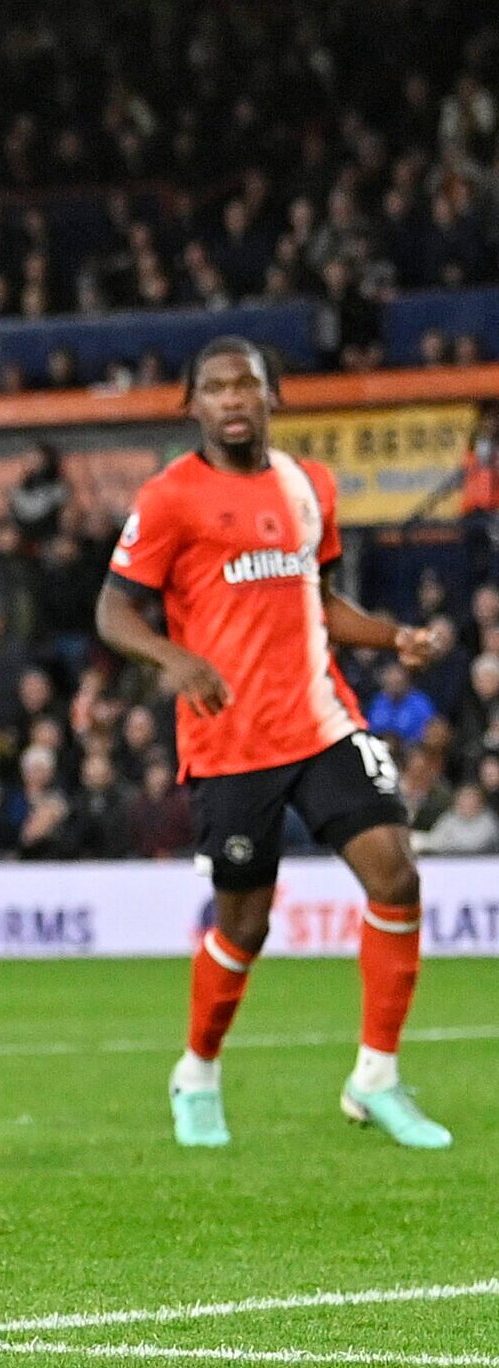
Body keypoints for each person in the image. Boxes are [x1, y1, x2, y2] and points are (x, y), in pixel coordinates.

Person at [97, 336, 451, 1152]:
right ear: (192, 404)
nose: (232, 399)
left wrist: (392, 636)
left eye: (246, 385)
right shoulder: (169, 498)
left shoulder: (308, 485)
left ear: (272, 397)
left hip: (321, 719)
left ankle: (377, 1076)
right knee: (245, 924)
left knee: (395, 873)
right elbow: (113, 613)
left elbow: (319, 599)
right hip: (229, 736)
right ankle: (198, 1070)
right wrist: (175, 657)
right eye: (215, 387)